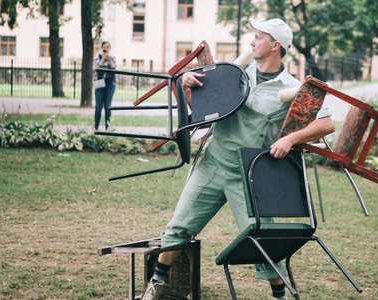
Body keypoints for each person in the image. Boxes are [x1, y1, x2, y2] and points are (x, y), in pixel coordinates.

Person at [141, 19, 335, 300]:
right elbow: (202, 112)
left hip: (251, 174)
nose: (252, 42)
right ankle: (157, 284)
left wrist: (290, 139)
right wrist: (186, 87)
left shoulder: (295, 87)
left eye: (258, 37)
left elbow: (327, 125)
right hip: (213, 163)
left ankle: (279, 295)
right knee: (179, 226)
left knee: (261, 236)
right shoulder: (234, 73)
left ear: (275, 45)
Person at [93, 41, 117, 131]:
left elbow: (115, 69)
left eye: (107, 47)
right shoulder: (98, 57)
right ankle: (96, 127)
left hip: (110, 83)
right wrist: (103, 59)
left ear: (110, 48)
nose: (105, 49)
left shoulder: (113, 58)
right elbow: (96, 69)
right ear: (101, 48)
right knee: (98, 106)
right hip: (99, 82)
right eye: (104, 47)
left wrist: (109, 60)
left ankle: (108, 128)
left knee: (108, 106)